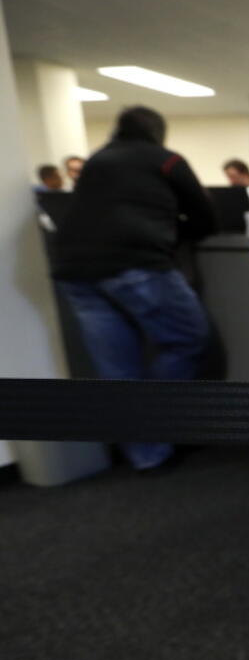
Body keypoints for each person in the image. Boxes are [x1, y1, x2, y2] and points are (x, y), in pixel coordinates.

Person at [48, 106, 216, 470]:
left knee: (117, 368)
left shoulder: (96, 160)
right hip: (135, 262)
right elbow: (205, 217)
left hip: (74, 271)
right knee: (188, 338)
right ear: (158, 133)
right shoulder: (166, 160)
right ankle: (159, 423)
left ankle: (147, 454)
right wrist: (174, 233)